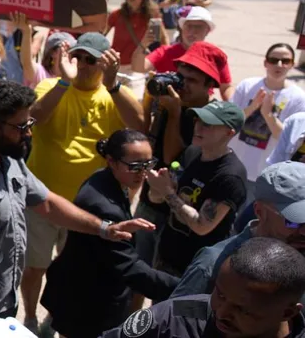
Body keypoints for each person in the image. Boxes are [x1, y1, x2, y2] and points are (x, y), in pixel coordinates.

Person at [0, 80, 153, 326]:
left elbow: (47, 203)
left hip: (3, 305)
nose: (28, 133)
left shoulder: (9, 160)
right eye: (21, 126)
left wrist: (104, 229)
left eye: (29, 124)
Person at [21, 33, 144, 328]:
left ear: (105, 63)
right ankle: (28, 316)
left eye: (91, 60)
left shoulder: (113, 94)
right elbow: (32, 118)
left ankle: (55, 315)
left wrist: (114, 85)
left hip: (86, 208)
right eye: (77, 58)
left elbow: (140, 125)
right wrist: (64, 82)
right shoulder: (51, 85)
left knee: (70, 269)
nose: (83, 65)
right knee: (34, 266)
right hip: (43, 200)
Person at [41, 129, 179, 338]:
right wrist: (186, 286)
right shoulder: (104, 207)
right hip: (86, 307)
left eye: (148, 164)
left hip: (79, 291)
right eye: (135, 167)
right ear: (112, 161)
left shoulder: (103, 178)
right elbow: (131, 269)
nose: (143, 173)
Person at [104, 237, 305, 338]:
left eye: (242, 309)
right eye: (220, 294)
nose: (222, 312)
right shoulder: (172, 319)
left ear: (287, 312)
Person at [172, 161, 305, 301]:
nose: (304, 231)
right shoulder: (213, 265)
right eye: (295, 221)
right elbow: (178, 319)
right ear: (259, 211)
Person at [145, 100, 248, 276]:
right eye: (197, 121)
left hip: (195, 269)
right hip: (167, 255)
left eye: (207, 124)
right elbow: (158, 199)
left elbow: (202, 226)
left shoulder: (230, 176)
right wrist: (158, 189)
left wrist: (167, 192)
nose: (198, 127)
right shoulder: (192, 153)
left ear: (229, 132)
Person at [230, 44, 305, 185]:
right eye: (273, 60)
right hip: (233, 166)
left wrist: (268, 115)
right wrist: (251, 108)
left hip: (264, 175)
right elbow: (228, 122)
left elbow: (290, 142)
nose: (279, 64)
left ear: (292, 65)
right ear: (265, 62)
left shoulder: (299, 98)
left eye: (285, 61)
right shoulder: (247, 85)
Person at [142, 6, 233, 99]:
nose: (192, 31)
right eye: (189, 26)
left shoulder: (214, 55)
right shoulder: (165, 51)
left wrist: (233, 109)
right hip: (165, 106)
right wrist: (143, 44)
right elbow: (139, 68)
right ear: (182, 28)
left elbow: (226, 87)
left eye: (198, 27)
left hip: (200, 109)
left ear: (207, 30)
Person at [106, 0, 169, 70]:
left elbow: (163, 40)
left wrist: (163, 61)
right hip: (115, 65)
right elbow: (101, 34)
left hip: (137, 68)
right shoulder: (117, 14)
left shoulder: (151, 16)